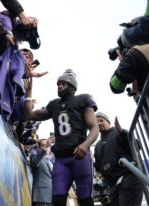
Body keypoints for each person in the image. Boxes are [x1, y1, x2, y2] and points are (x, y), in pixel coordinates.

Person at [24, 69, 99, 206]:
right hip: (61, 159)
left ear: (72, 86)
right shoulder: (54, 105)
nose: (59, 86)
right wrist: (28, 94)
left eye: (63, 84)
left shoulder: (83, 99)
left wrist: (86, 144)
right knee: (57, 200)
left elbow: (94, 127)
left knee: (85, 199)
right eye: (58, 84)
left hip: (79, 155)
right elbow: (29, 115)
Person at [94, 112, 143, 206]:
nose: (99, 123)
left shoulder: (119, 133)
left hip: (128, 178)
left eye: (101, 120)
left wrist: (122, 133)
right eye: (96, 122)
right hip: (111, 186)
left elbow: (136, 146)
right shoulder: (97, 145)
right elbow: (98, 169)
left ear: (108, 123)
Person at [30, 137, 55, 206]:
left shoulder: (51, 161)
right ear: (38, 148)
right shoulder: (34, 156)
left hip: (52, 198)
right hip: (41, 197)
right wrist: (46, 147)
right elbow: (35, 162)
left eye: (47, 145)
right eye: (43, 145)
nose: (46, 146)